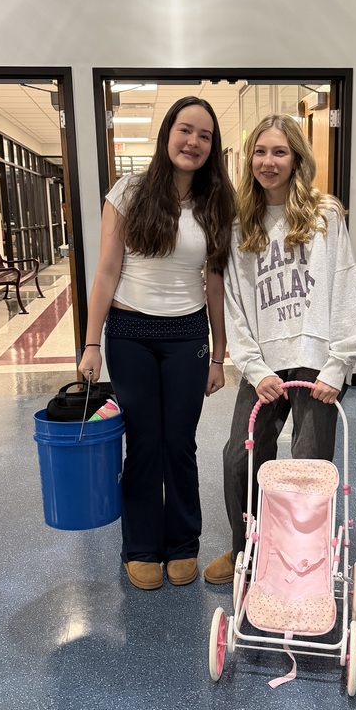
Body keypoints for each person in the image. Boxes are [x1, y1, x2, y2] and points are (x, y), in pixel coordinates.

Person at [78, 97, 235, 591]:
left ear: (212, 148)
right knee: (144, 444)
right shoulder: (128, 192)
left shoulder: (215, 203)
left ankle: (184, 544)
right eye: (185, 130)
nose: (193, 142)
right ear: (167, 133)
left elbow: (214, 282)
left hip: (188, 335)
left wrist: (218, 353)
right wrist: (91, 344)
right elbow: (105, 271)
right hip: (130, 335)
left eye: (204, 136)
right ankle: (141, 547)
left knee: (179, 444)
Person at [203, 113, 356, 585]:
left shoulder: (325, 215)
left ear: (297, 157)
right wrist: (253, 367)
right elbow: (235, 303)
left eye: (279, 152)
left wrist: (338, 364)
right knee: (241, 455)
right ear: (249, 158)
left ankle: (302, 559)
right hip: (265, 366)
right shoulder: (239, 226)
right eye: (260, 151)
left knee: (310, 463)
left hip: (317, 363)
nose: (268, 161)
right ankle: (246, 549)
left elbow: (344, 287)